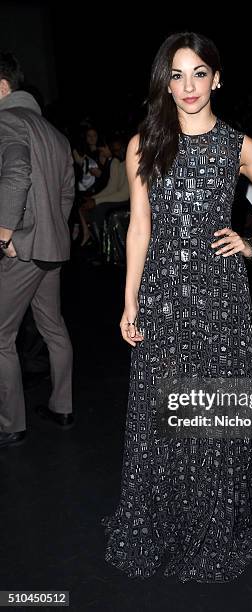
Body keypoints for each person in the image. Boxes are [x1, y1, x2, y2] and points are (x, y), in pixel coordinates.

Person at [100, 31, 252, 583]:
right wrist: (129, 300)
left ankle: (212, 518)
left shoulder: (238, 146)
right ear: (166, 81)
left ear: (217, 78)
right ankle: (163, 517)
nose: (188, 86)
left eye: (199, 73)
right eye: (178, 74)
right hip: (163, 295)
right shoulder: (145, 142)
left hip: (221, 297)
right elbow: (139, 227)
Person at [0, 51, 75, 449]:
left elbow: (15, 175)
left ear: (2, 86)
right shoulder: (55, 134)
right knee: (53, 328)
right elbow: (66, 196)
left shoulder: (5, 120)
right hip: (52, 249)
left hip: (23, 250)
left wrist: (5, 235)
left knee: (0, 335)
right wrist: (52, 232)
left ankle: (11, 423)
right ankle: (62, 405)